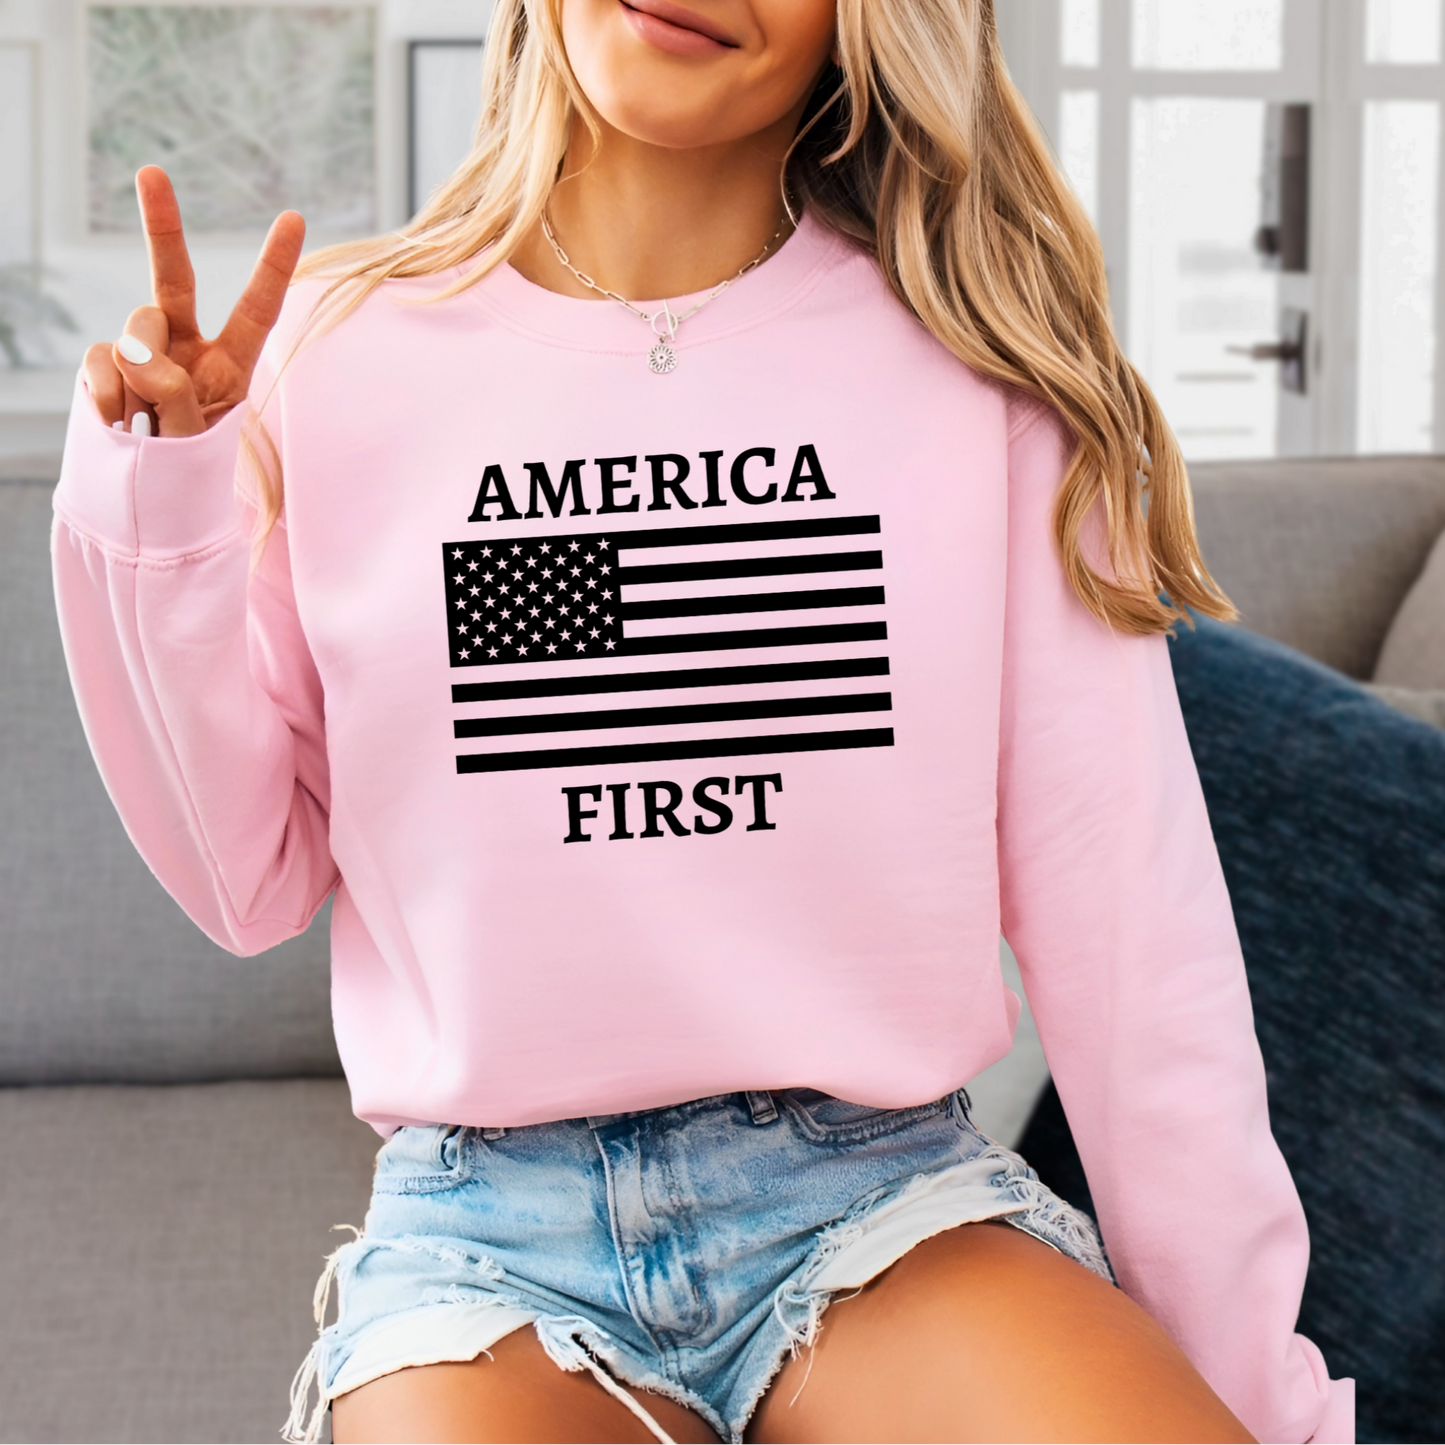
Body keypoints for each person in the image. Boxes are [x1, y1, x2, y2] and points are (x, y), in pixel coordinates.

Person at [52, 1, 1352, 1442]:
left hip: (881, 1203)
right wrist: (160, 500)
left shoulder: (982, 376)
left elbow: (1136, 945)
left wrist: (1253, 1398)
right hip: (483, 1244)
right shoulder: (331, 353)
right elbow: (245, 883)